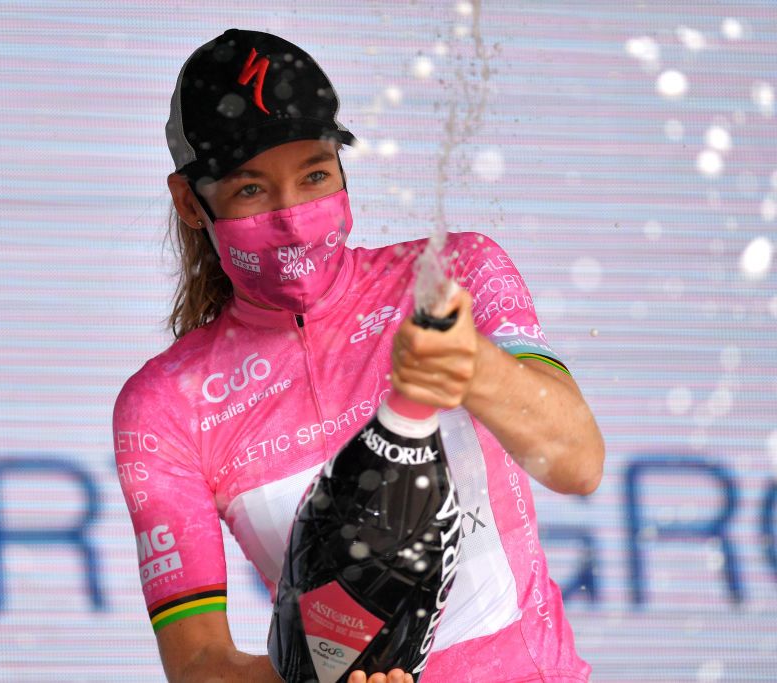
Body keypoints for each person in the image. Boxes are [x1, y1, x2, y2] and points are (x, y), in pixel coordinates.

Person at [114, 28, 605, 683]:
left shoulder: (455, 271)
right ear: (190, 202)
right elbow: (200, 663)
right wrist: (311, 677)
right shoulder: (166, 404)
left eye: (314, 174)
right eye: (252, 189)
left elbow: (579, 462)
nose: (292, 216)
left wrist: (476, 366)